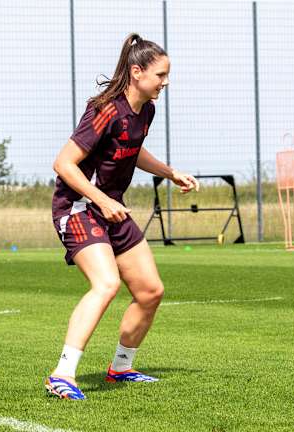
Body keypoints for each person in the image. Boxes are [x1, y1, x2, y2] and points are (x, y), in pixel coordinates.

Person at [45, 33, 199, 400]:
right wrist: (100, 198)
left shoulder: (146, 109)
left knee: (150, 291)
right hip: (80, 207)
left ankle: (121, 368)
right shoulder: (105, 109)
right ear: (137, 72)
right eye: (160, 74)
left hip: (112, 207)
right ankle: (61, 375)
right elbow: (63, 163)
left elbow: (133, 149)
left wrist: (169, 172)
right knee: (107, 284)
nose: (166, 81)